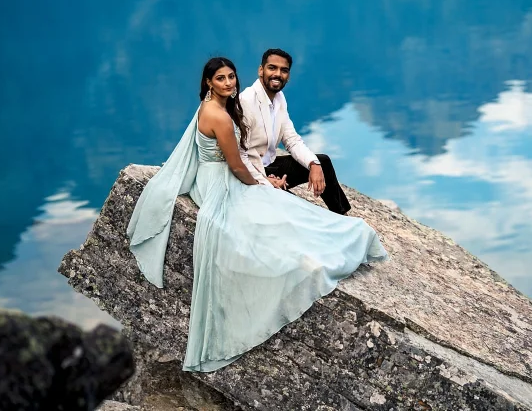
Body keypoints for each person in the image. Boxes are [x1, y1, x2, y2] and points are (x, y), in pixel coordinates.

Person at [126, 57, 388, 373]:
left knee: (312, 173)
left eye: (231, 77)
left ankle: (339, 223)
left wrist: (285, 173)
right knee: (269, 216)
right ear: (209, 82)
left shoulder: (229, 106)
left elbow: (286, 140)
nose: (228, 83)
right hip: (222, 180)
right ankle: (325, 244)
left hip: (236, 171)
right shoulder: (223, 113)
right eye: (221, 79)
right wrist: (262, 184)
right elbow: (237, 164)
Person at [239, 48, 351, 214]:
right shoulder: (246, 101)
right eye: (272, 68)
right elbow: (238, 155)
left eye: (284, 70)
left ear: (288, 76)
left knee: (322, 162)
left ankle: (341, 215)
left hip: (270, 166)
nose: (277, 74)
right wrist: (265, 180)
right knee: (300, 209)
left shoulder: (279, 99)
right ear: (260, 70)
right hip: (250, 173)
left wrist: (313, 164)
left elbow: (292, 140)